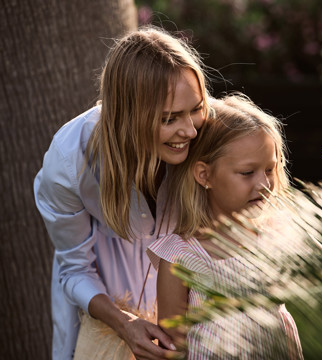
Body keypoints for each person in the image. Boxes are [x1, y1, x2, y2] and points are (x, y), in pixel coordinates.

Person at [34, 26, 210, 360]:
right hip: (103, 304)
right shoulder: (70, 158)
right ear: (130, 117)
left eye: (196, 109)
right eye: (170, 119)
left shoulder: (208, 134)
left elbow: (254, 191)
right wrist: (124, 322)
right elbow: (74, 269)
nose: (189, 130)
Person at [147, 94, 304, 359]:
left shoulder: (277, 234)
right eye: (247, 173)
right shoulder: (180, 257)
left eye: (269, 170)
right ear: (204, 175)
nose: (264, 184)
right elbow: (172, 348)